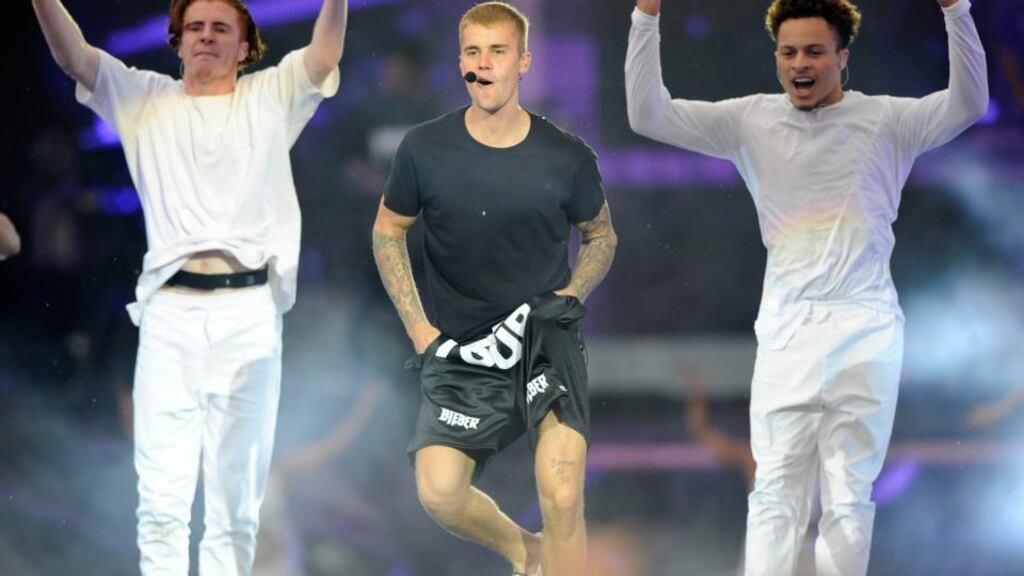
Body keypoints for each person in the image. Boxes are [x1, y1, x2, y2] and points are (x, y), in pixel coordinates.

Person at [625, 0, 988, 574]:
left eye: (815, 51)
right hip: (788, 327)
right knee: (775, 493)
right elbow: (647, 114)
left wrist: (956, 10)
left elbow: (969, 103)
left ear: (843, 58)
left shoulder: (888, 120)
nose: (800, 63)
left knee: (847, 499)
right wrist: (645, 15)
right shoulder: (751, 120)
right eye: (788, 52)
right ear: (776, 59)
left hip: (865, 323)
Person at [31, 0, 346, 573]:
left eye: (220, 28)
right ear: (176, 42)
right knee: (160, 504)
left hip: (249, 315)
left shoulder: (270, 96)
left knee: (236, 510)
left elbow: (324, 55)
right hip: (169, 316)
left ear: (246, 46)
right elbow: (74, 56)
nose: (205, 37)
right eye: (194, 28)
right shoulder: (143, 97)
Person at [372, 3, 617, 574]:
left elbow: (601, 235)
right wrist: (419, 330)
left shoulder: (567, 155)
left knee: (561, 499)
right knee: (438, 491)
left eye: (498, 52)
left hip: (544, 343)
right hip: (463, 350)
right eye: (473, 52)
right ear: (460, 61)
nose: (484, 65)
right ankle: (524, 553)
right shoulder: (423, 148)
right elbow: (388, 231)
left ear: (523, 62)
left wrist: (573, 294)